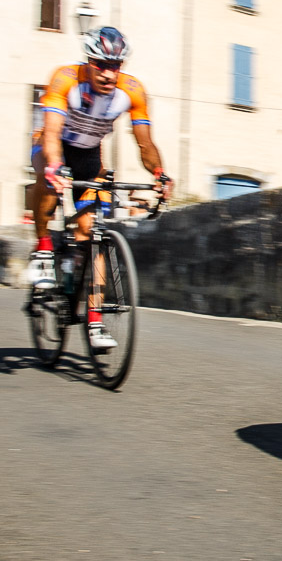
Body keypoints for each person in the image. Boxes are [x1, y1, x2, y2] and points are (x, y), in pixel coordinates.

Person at [29, 26, 174, 350]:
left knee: (90, 230)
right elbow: (51, 133)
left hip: (89, 156)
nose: (108, 74)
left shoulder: (133, 90)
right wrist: (53, 165)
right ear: (89, 61)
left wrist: (160, 173)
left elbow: (145, 143)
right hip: (53, 146)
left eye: (115, 66)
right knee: (50, 184)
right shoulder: (65, 78)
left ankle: (94, 321)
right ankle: (42, 248)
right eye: (101, 65)